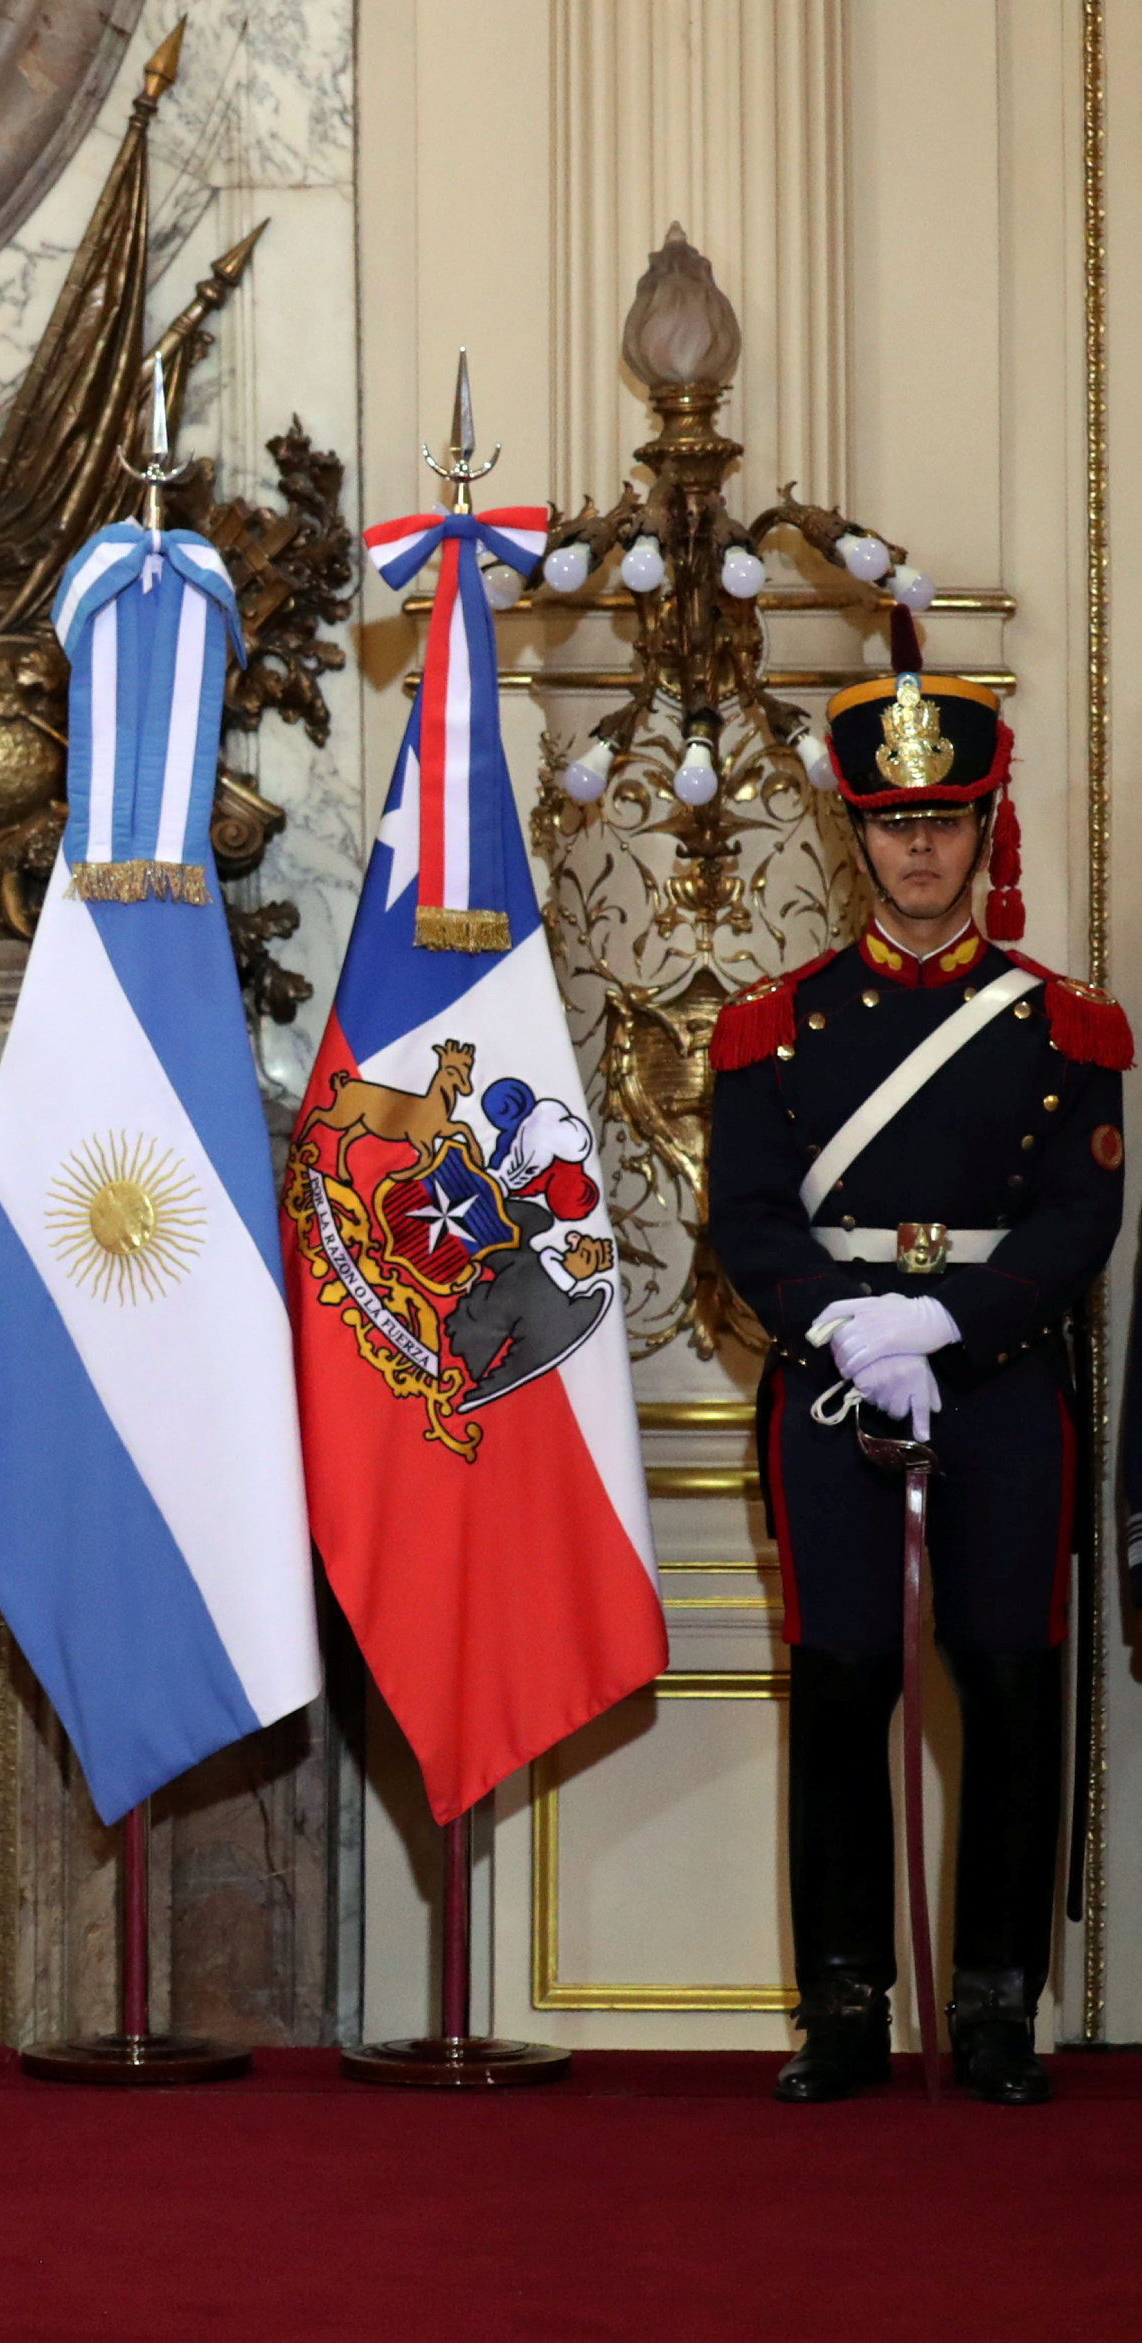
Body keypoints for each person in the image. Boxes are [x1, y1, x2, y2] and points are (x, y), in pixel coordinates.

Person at [708, 609, 1127, 2106]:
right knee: (840, 1685)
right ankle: (839, 2008)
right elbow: (748, 1220)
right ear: (858, 835)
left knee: (1011, 1686)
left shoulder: (1070, 1028)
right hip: (834, 1389)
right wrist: (844, 1321)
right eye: (894, 824)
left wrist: (949, 1321)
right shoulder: (771, 1028)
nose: (922, 853)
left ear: (983, 822)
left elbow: (1082, 1214)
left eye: (945, 820)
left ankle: (1001, 2007)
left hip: (1005, 1384)